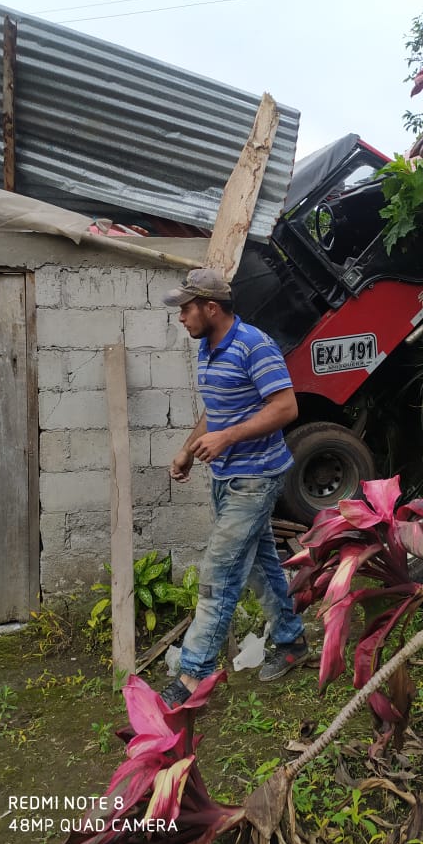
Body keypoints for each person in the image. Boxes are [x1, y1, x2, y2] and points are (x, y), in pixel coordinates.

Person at [160, 267, 308, 707]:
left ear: (211, 307)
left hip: (256, 477)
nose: (181, 317)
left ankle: (192, 681)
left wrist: (226, 438)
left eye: (186, 308)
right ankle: (291, 642)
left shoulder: (254, 345)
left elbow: (285, 407)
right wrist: (189, 448)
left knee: (218, 574)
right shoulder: (207, 348)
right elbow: (218, 409)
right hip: (226, 478)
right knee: (262, 566)